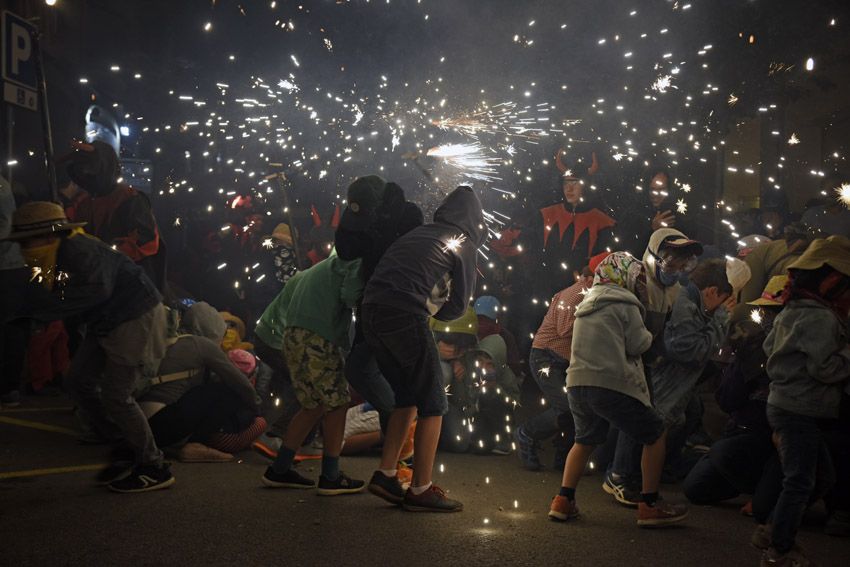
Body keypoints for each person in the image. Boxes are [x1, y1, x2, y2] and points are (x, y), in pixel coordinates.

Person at [6, 202, 171, 493]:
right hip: (107, 319)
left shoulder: (79, 250)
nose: (22, 248)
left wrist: (37, 313)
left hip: (133, 315)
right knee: (78, 381)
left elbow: (96, 290)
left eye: (25, 241)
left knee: (117, 395)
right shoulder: (50, 256)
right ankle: (120, 442)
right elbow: (54, 292)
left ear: (47, 235)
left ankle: (153, 465)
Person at [362, 186, 485, 513]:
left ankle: (386, 473)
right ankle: (421, 488)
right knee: (433, 400)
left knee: (407, 397)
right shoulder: (464, 243)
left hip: (371, 311)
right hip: (405, 314)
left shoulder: (422, 232)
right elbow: (459, 305)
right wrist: (438, 312)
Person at [548, 252, 688, 527]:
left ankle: (563, 500)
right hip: (609, 383)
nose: (640, 284)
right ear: (624, 277)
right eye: (637, 278)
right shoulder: (625, 304)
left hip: (577, 383)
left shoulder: (586, 303)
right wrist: (652, 334)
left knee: (584, 440)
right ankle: (649, 504)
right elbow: (639, 345)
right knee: (655, 433)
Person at [607, 259, 738, 497]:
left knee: (675, 419)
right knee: (647, 422)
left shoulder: (691, 303)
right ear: (711, 291)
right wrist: (721, 320)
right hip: (664, 377)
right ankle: (622, 475)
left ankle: (646, 472)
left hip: (670, 381)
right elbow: (690, 351)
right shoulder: (686, 306)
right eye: (723, 301)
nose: (723, 308)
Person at [760, 236, 850, 566]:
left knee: (820, 478)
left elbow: (770, 348)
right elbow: (825, 369)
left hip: (783, 404)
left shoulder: (792, 309)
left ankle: (773, 528)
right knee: (800, 481)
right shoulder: (822, 318)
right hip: (801, 408)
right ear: (832, 281)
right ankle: (779, 550)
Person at [603, 227, 703, 503]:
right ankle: (619, 475)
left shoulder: (674, 291)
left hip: (644, 355)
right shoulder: (634, 280)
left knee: (650, 414)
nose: (677, 267)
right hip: (622, 354)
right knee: (634, 413)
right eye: (672, 259)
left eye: (683, 261)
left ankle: (627, 471)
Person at [260, 249, 366, 496]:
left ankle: (279, 469)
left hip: (293, 336)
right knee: (338, 404)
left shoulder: (322, 267)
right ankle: (331, 476)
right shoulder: (354, 261)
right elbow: (352, 297)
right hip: (318, 337)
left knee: (313, 405)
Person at [137, 303, 263, 462]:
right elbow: (238, 381)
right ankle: (196, 443)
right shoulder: (203, 345)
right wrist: (256, 406)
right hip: (162, 424)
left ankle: (172, 448)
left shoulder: (172, 340)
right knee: (229, 391)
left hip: (138, 422)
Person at [514, 258, 600, 471]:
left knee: (577, 407)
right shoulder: (575, 294)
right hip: (546, 357)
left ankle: (564, 459)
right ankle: (526, 433)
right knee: (565, 406)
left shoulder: (591, 294)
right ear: (589, 278)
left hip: (563, 359)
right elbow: (565, 329)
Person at [60, 140, 166, 291]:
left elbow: (146, 241)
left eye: (89, 166)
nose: (84, 171)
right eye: (81, 166)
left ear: (103, 166)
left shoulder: (130, 198)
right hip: (92, 284)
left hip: (129, 285)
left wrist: (100, 258)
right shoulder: (82, 201)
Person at [472, 295, 523, 376]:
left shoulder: (506, 338)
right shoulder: (469, 335)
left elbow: (514, 370)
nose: (482, 323)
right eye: (479, 319)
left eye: (486, 320)